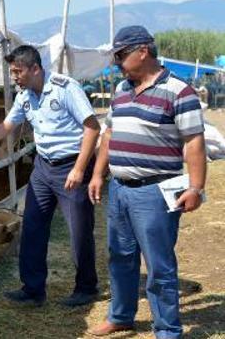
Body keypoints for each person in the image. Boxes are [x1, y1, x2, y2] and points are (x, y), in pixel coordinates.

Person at [87, 26, 206, 338]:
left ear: (143, 51)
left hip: (156, 191)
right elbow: (109, 135)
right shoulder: (120, 90)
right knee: (120, 256)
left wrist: (195, 187)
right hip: (121, 189)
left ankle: (166, 329)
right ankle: (121, 315)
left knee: (159, 264)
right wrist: (98, 174)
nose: (117, 63)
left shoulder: (180, 92)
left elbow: (194, 142)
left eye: (121, 55)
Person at [0, 45, 101, 306]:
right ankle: (33, 289)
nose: (14, 76)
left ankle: (86, 288)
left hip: (71, 166)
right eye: (13, 71)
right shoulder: (25, 95)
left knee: (79, 230)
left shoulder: (65, 88)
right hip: (42, 167)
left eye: (18, 71)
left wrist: (79, 168)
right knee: (32, 226)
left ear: (36, 68)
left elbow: (92, 128)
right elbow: (8, 124)